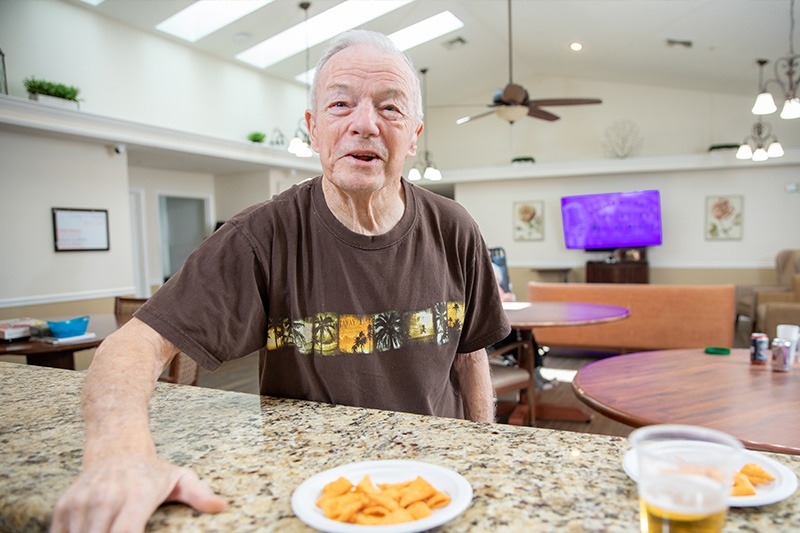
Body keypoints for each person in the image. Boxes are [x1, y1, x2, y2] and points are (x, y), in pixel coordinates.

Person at [51, 30, 510, 532]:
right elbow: (132, 346)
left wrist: (479, 449)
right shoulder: (261, 236)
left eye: (390, 108)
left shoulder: (454, 227)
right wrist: (120, 455)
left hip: (433, 483)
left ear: (414, 133)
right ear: (314, 130)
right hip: (312, 490)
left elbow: (470, 353)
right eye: (340, 104)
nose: (365, 125)